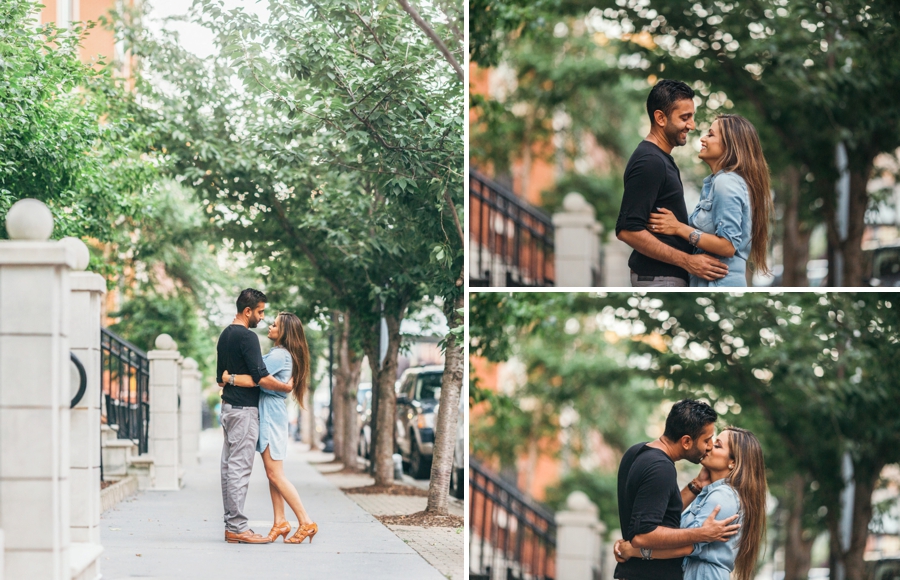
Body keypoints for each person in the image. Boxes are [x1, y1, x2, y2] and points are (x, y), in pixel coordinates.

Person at [616, 79, 729, 287]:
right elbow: (627, 230)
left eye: (692, 117)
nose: (692, 125)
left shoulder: (661, 159)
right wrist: (688, 261)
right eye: (685, 117)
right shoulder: (650, 161)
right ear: (660, 117)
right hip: (660, 278)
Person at [614, 427, 768, 580]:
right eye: (709, 441)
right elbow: (670, 519)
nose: (708, 447)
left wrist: (633, 550)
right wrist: (698, 484)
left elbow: (687, 546)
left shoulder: (723, 497)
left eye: (717, 445)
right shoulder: (711, 492)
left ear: (733, 462)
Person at [223, 311, 318, 544]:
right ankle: (280, 521)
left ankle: (306, 522)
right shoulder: (282, 354)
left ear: (284, 331)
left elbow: (254, 374)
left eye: (274, 325)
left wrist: (228, 378)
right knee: (272, 473)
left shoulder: (279, 355)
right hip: (271, 413)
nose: (269, 326)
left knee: (275, 473)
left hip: (270, 416)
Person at [647, 114, 773, 286]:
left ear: (731, 145)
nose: (702, 139)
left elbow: (728, 246)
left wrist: (677, 228)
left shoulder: (726, 182)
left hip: (720, 284)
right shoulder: (716, 183)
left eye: (711, 135)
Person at [216, 288, 293, 544]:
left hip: (227, 409)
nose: (262, 317)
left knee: (228, 468)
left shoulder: (224, 336)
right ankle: (237, 528)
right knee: (238, 470)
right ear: (247, 311)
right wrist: (284, 387)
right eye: (260, 312)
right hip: (244, 412)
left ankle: (232, 525)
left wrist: (230, 379)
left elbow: (220, 379)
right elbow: (260, 378)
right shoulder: (248, 338)